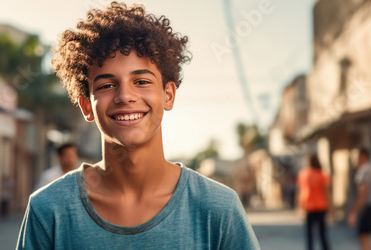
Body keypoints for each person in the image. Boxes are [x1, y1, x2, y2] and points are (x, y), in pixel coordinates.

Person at [16, 2, 259, 249]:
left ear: (168, 95)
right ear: (86, 107)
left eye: (141, 81)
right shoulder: (48, 211)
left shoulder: (219, 209)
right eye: (106, 85)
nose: (125, 96)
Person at [297, 154, 331, 250]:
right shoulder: (322, 174)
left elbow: (300, 192)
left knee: (309, 235)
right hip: (321, 207)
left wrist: (299, 206)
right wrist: (331, 208)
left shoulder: (303, 174)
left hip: (309, 207)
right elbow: (327, 193)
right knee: (322, 234)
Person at [348, 148, 371, 250]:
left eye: (355, 157)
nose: (353, 159)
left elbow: (363, 193)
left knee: (363, 235)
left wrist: (354, 212)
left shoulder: (364, 170)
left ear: (362, 157)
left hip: (368, 207)